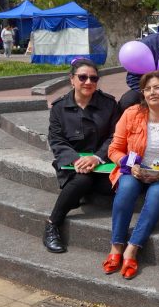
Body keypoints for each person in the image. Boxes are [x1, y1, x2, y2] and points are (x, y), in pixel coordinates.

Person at [103, 71, 159, 280]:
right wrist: (131, 166)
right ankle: (117, 245)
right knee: (127, 187)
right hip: (135, 170)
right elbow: (114, 149)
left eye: (157, 87)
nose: (152, 92)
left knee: (157, 194)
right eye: (147, 89)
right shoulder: (132, 114)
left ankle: (133, 248)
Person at [44, 59, 120, 253]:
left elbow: (115, 136)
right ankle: (52, 224)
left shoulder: (109, 104)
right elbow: (57, 140)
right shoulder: (59, 108)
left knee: (114, 184)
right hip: (74, 165)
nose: (88, 82)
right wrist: (76, 160)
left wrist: (97, 158)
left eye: (93, 78)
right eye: (82, 77)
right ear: (72, 80)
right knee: (83, 181)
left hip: (102, 164)